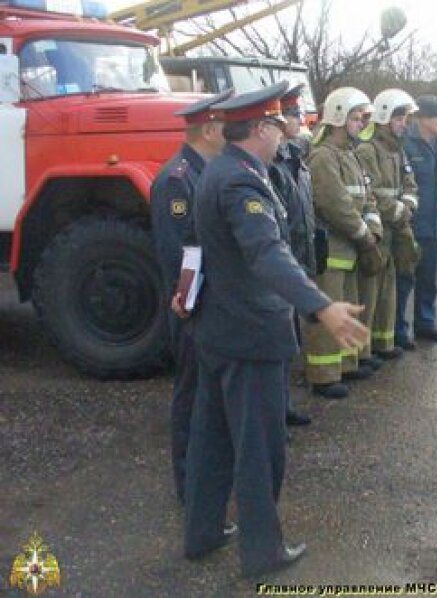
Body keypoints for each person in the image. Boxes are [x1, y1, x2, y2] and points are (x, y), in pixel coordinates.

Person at [180, 81, 370, 578]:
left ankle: (202, 534)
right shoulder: (242, 180)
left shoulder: (221, 170)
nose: (287, 133)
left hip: (219, 329)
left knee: (213, 440)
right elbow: (266, 253)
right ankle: (263, 553)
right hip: (250, 335)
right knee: (260, 451)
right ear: (260, 128)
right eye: (278, 125)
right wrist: (321, 306)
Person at [150, 87, 233, 505]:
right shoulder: (178, 180)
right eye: (225, 125)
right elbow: (182, 254)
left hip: (207, 306)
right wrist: (193, 308)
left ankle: (205, 485)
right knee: (191, 401)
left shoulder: (204, 172)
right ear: (211, 127)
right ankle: (190, 490)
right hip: (191, 309)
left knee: (207, 399)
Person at [306, 87, 385, 399]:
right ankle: (324, 375)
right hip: (332, 251)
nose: (360, 124)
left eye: (362, 118)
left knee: (349, 311)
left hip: (351, 248)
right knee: (329, 313)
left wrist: (372, 228)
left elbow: (369, 198)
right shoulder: (323, 157)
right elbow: (336, 204)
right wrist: (366, 235)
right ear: (338, 117)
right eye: (355, 118)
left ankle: (346, 364)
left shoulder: (351, 155)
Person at [355, 88, 420, 360]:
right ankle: (365, 350)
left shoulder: (398, 152)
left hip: (396, 229)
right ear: (383, 117)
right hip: (378, 231)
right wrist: (398, 211)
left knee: (388, 292)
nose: (404, 124)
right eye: (399, 118)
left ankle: (384, 343)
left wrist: (406, 207)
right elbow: (375, 193)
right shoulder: (368, 151)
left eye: (405, 118)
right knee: (370, 294)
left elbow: (410, 185)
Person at [268, 85, 316, 426]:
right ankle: (274, 412)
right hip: (283, 261)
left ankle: (283, 406)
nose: (300, 119)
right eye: (294, 114)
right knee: (278, 340)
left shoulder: (294, 155)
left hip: (298, 254)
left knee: (289, 338)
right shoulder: (273, 163)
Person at [398, 95, 437, 348]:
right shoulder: (404, 144)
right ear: (422, 118)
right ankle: (398, 330)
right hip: (411, 222)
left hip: (434, 222)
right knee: (404, 278)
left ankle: (425, 324)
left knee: (429, 279)